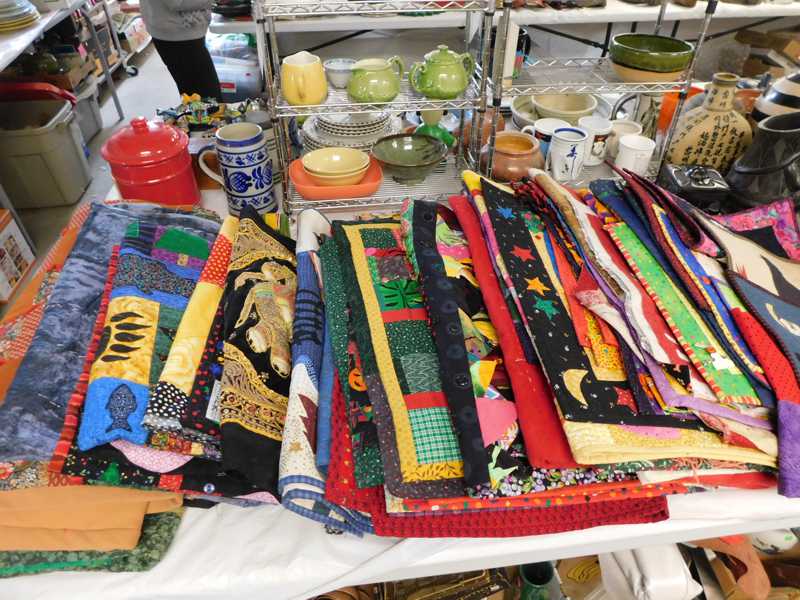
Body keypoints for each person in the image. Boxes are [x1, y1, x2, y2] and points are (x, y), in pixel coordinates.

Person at [139, 0, 221, 101]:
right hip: (177, 36)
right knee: (206, 96)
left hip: (179, 30)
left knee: (196, 93)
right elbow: (178, 3)